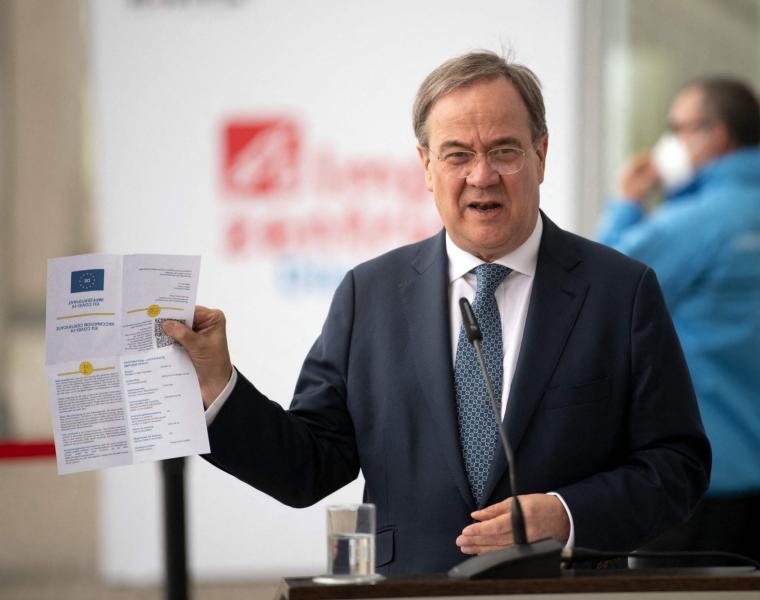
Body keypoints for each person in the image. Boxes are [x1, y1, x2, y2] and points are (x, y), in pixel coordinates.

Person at [164, 51, 710, 577]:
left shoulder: (621, 290)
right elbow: (307, 467)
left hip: (565, 590)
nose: (481, 176)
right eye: (457, 155)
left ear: (541, 154)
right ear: (426, 166)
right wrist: (217, 386)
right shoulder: (368, 295)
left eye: (504, 150)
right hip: (409, 590)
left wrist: (566, 514)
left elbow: (677, 464)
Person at [596, 78, 760, 599]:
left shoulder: (692, 225)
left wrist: (626, 205)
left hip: (701, 487)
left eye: (678, 128)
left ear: (716, 136)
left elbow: (600, 297)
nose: (669, 142)